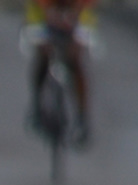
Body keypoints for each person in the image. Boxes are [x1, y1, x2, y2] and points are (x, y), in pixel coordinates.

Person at [26, 0, 96, 145]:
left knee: (75, 59)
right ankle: (36, 107)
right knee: (43, 55)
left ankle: (82, 117)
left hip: (78, 16)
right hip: (43, 15)